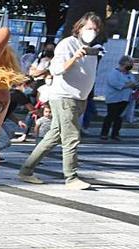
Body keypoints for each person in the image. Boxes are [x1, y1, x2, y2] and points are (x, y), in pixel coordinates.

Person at [17, 12, 102, 190]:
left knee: (53, 136)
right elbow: (56, 70)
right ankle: (71, 178)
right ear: (79, 28)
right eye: (88, 28)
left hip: (79, 98)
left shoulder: (94, 48)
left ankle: (26, 170)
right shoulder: (68, 44)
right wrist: (75, 57)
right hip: (65, 97)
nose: (91, 32)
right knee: (71, 137)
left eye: (95, 29)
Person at [99, 55, 138, 141]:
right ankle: (104, 133)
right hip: (114, 98)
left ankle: (115, 134)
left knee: (119, 117)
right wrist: (128, 85)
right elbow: (115, 84)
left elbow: (134, 84)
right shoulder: (114, 73)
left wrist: (134, 86)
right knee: (111, 116)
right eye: (130, 63)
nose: (131, 65)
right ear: (124, 63)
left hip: (125, 98)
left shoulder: (130, 74)